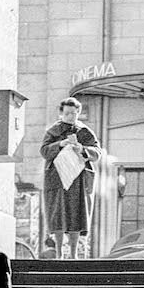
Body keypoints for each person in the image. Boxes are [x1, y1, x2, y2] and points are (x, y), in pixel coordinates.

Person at [40, 97, 103, 259]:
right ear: (61, 113)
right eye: (67, 113)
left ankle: (74, 253)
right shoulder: (53, 131)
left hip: (79, 180)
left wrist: (81, 148)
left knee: (76, 213)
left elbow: (97, 153)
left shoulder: (85, 131)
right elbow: (44, 151)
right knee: (58, 213)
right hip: (57, 179)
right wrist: (61, 144)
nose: (70, 117)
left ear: (78, 113)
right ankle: (59, 252)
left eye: (74, 114)